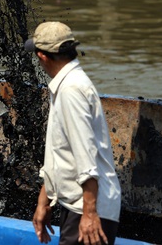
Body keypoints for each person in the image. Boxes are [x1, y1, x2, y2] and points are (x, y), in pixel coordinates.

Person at [26, 21, 121, 245]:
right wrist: (45, 200)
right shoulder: (67, 84)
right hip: (77, 205)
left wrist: (89, 213)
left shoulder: (71, 90)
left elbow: (85, 156)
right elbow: (60, 153)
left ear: (42, 56)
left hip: (88, 208)